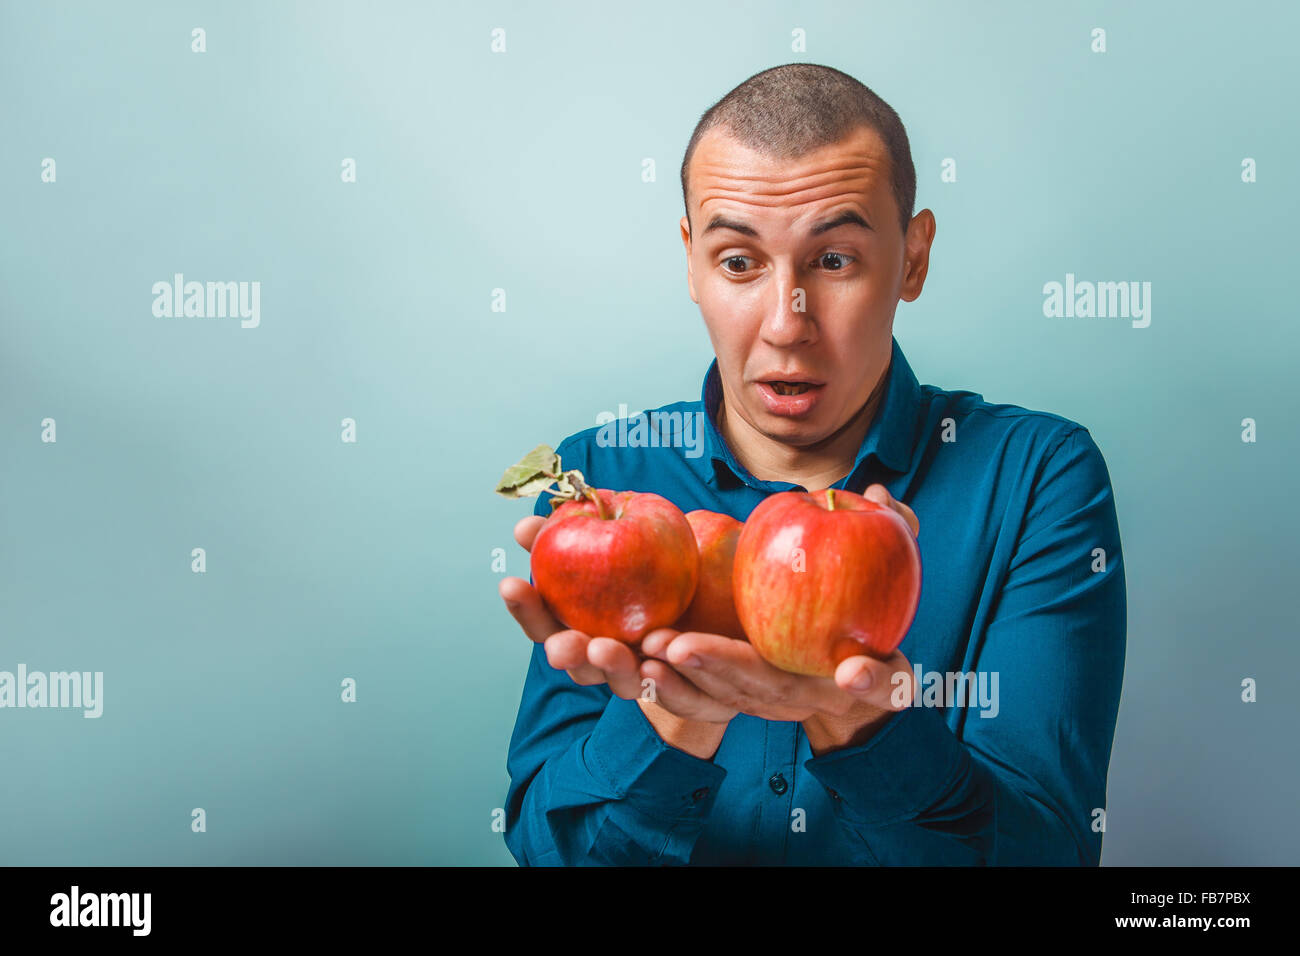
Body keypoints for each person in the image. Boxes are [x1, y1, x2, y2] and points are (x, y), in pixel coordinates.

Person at [498, 63, 1126, 866]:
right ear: (691, 261)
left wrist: (859, 719)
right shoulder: (601, 479)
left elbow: (1050, 854)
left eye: (833, 261)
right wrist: (673, 714)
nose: (787, 325)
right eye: (738, 263)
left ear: (913, 259)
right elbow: (550, 850)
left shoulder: (1037, 477)